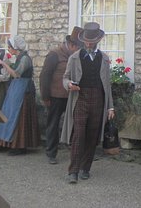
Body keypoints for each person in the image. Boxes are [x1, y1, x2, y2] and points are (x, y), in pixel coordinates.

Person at [60, 22, 115, 184]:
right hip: (80, 98)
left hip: (98, 99)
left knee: (92, 136)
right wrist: (69, 84)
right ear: (83, 41)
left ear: (98, 40)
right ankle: (73, 171)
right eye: (87, 41)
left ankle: (86, 168)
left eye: (92, 41)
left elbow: (107, 84)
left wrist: (110, 106)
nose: (89, 43)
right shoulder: (74, 58)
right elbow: (65, 77)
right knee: (78, 134)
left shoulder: (104, 59)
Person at [39, 26, 82, 164]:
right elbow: (44, 76)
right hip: (55, 96)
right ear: (71, 45)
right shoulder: (54, 54)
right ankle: (51, 152)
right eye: (78, 47)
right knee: (53, 124)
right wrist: (45, 97)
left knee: (75, 124)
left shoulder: (76, 56)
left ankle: (74, 151)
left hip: (72, 96)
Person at [0, 35, 41, 155]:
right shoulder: (20, 57)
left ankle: (19, 145)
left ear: (15, 47)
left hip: (23, 90)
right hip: (17, 88)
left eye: (10, 47)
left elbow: (16, 74)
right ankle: (12, 143)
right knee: (11, 114)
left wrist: (4, 64)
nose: (9, 49)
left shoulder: (25, 58)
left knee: (20, 116)